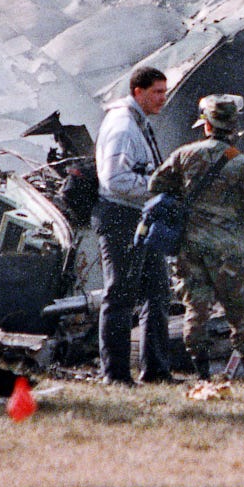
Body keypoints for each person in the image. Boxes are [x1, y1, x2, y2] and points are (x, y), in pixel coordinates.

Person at [149, 93, 244, 389]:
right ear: (233, 127)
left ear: (207, 126)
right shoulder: (241, 164)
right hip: (230, 248)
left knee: (195, 309)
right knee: (240, 313)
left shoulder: (185, 154)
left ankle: (202, 376)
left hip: (192, 245)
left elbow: (155, 185)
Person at [91, 65, 173, 384]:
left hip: (140, 217)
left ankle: (155, 370)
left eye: (165, 92)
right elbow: (114, 179)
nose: (163, 98)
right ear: (137, 92)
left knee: (158, 290)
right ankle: (115, 374)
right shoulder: (124, 126)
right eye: (157, 92)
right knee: (120, 294)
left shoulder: (138, 122)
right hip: (121, 217)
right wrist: (158, 185)